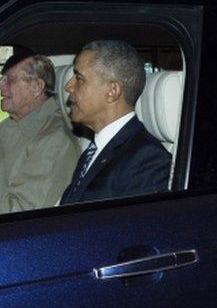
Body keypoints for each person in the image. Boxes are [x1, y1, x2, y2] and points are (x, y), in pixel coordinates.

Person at [0, 52, 80, 217]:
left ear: (36, 87)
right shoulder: (6, 126)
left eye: (8, 79)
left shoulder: (54, 142)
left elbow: (21, 214)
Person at [59, 40, 170, 205]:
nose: (69, 86)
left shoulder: (147, 160)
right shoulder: (93, 150)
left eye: (79, 78)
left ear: (112, 92)